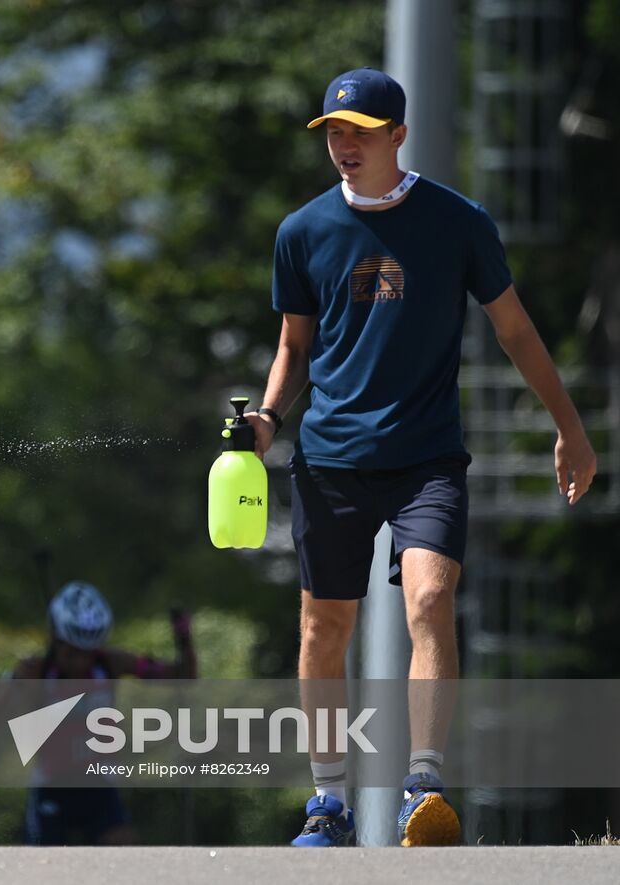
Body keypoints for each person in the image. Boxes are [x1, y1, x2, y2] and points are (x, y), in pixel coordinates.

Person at [252, 68, 598, 847]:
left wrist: (570, 426)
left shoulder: (457, 221)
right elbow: (292, 346)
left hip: (427, 457)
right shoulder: (301, 231)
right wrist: (269, 418)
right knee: (321, 630)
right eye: (335, 132)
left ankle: (423, 789)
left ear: (397, 135)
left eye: (361, 132)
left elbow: (515, 329)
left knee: (429, 602)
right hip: (331, 456)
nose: (344, 145)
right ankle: (328, 805)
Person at [11, 580, 196, 845]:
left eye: (87, 653)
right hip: (52, 787)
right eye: (71, 653)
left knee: (125, 854)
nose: (80, 662)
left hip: (99, 786)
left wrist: (185, 640)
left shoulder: (110, 663)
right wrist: (17, 685)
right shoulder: (37, 671)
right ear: (56, 641)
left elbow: (183, 677)